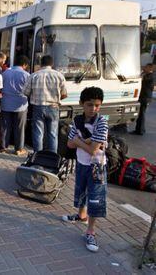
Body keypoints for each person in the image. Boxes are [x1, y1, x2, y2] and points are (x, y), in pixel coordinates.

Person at [62, 87, 108, 253]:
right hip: (82, 163)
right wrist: (88, 141)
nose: (93, 109)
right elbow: (68, 144)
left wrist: (80, 141)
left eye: (97, 105)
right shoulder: (77, 120)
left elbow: (93, 150)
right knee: (81, 191)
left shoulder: (102, 122)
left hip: (97, 166)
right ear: (82, 104)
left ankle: (91, 231)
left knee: (95, 199)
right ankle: (81, 216)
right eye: (89, 105)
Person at [23, 55, 67, 153]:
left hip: (38, 107)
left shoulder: (34, 75)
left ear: (41, 64)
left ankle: (37, 156)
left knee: (38, 133)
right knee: (53, 134)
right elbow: (64, 94)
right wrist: (56, 99)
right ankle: (52, 157)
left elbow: (26, 92)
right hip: (54, 107)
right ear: (52, 64)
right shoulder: (59, 76)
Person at [0, 55, 30, 157]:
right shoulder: (26, 75)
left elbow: (0, 88)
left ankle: (3, 147)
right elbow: (29, 91)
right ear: (24, 65)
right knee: (19, 127)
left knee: (5, 126)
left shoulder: (5, 73)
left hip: (6, 104)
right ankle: (19, 149)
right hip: (21, 105)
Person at [132, 63, 154, 135]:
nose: (144, 68)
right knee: (140, 114)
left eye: (146, 67)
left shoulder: (150, 76)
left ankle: (140, 130)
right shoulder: (147, 75)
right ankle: (138, 129)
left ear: (150, 69)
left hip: (145, 98)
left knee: (142, 114)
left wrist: (142, 73)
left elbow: (141, 79)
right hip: (143, 97)